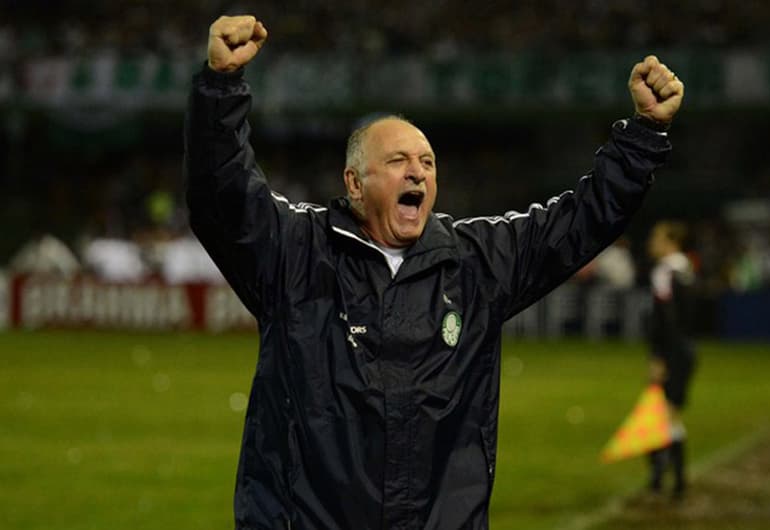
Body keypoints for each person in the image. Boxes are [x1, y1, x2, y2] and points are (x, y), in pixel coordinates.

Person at [184, 15, 684, 530]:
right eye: (399, 160)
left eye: (427, 161)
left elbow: (579, 221)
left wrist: (644, 136)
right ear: (355, 184)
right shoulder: (296, 253)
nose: (418, 172)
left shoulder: (476, 262)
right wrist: (221, 88)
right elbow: (221, 197)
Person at [645, 220, 697, 498]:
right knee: (666, 413)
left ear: (670, 241)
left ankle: (671, 479)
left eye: (656, 237)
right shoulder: (686, 267)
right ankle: (666, 476)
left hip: (673, 351)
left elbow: (666, 319)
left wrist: (659, 356)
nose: (651, 242)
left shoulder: (666, 271)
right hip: (686, 349)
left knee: (664, 414)